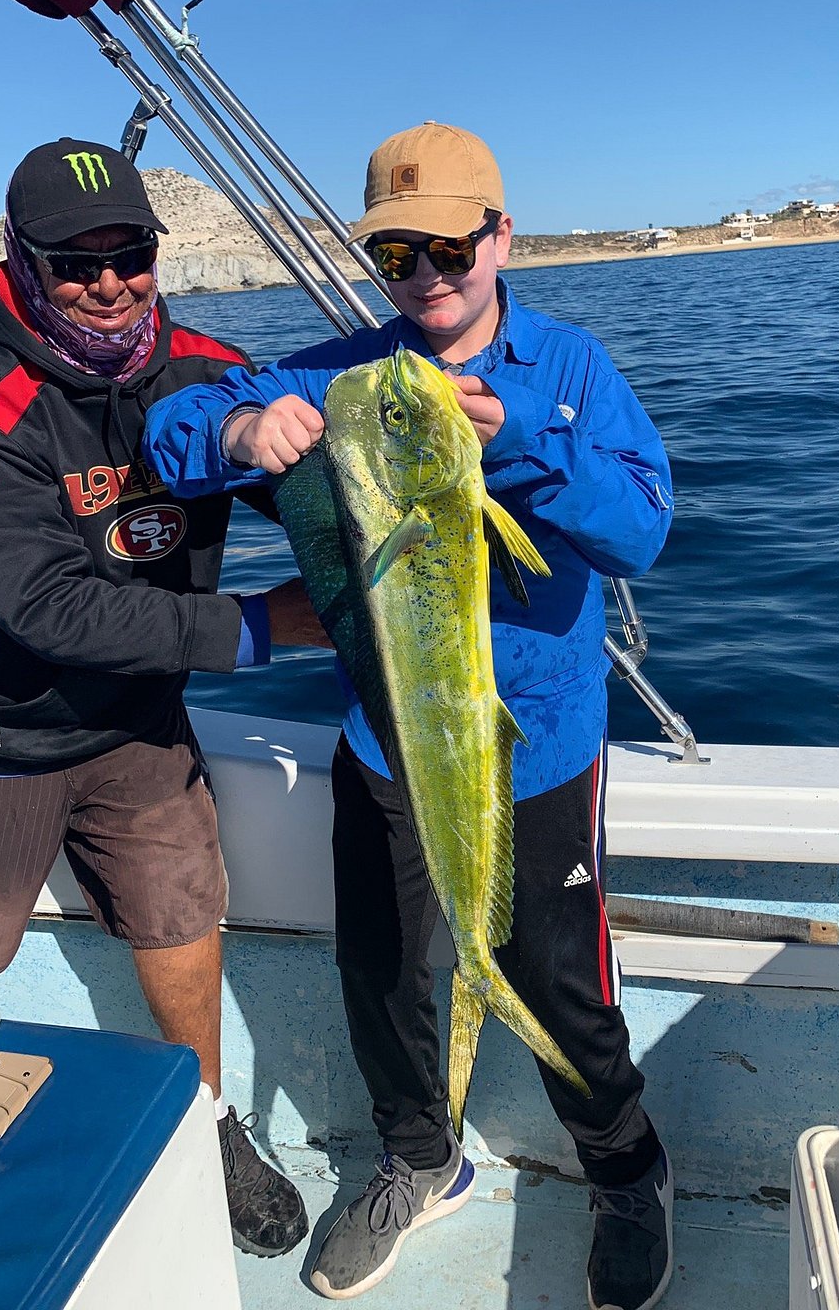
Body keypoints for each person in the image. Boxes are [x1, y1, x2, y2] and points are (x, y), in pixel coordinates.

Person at [144, 122, 676, 1310]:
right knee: (381, 968)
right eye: (399, 256)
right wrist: (237, 429)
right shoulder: (357, 379)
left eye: (449, 245)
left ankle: (625, 1168)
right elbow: (171, 434)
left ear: (500, 237)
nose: (428, 276)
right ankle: (422, 1159)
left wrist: (524, 439)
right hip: (388, 735)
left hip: (535, 742)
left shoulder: (571, 370)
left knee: (556, 978)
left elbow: (641, 527)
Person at [0, 137, 320, 1259]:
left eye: (128, 254)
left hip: (135, 722)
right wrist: (257, 624)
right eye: (74, 261)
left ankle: (209, 1120)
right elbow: (45, 607)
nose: (106, 283)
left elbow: (309, 465)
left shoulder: (204, 365)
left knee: (182, 913)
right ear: (19, 258)